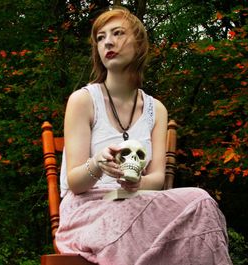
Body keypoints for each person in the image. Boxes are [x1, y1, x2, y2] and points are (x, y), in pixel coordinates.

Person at [55, 6, 232, 265]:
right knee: (128, 215)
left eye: (117, 33)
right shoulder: (83, 100)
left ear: (139, 45)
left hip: (137, 200)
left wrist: (137, 185)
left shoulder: (156, 110)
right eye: (101, 37)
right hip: (89, 208)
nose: (108, 42)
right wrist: (98, 164)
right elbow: (75, 183)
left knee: (200, 199)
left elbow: (158, 179)